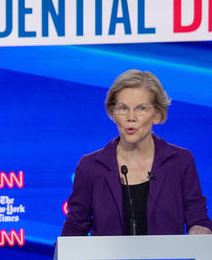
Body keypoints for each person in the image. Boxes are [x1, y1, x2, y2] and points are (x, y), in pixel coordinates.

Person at [61, 69, 212, 236]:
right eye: (123, 108)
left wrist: (199, 230)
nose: (130, 117)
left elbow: (197, 216)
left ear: (157, 115)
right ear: (113, 113)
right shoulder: (91, 166)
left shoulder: (180, 161)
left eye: (141, 108)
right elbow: (75, 227)